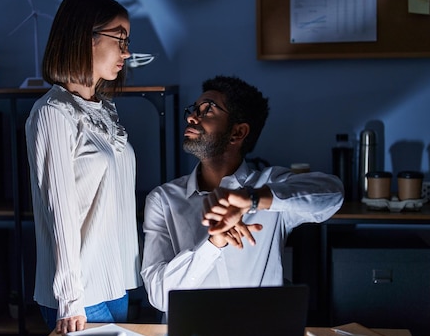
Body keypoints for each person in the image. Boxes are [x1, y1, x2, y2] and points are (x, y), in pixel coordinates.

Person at [140, 75, 344, 313]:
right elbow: (159, 296)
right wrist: (213, 243)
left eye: (207, 111)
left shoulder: (269, 185)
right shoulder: (163, 200)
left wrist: (253, 200)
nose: (191, 117)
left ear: (237, 133)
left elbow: (332, 195)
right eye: (194, 110)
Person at [25, 0, 140, 335]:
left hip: (115, 282)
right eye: (119, 39)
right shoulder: (52, 113)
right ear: (84, 37)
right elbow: (59, 213)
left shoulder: (104, 109)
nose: (126, 52)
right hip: (80, 295)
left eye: (127, 41)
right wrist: (71, 299)